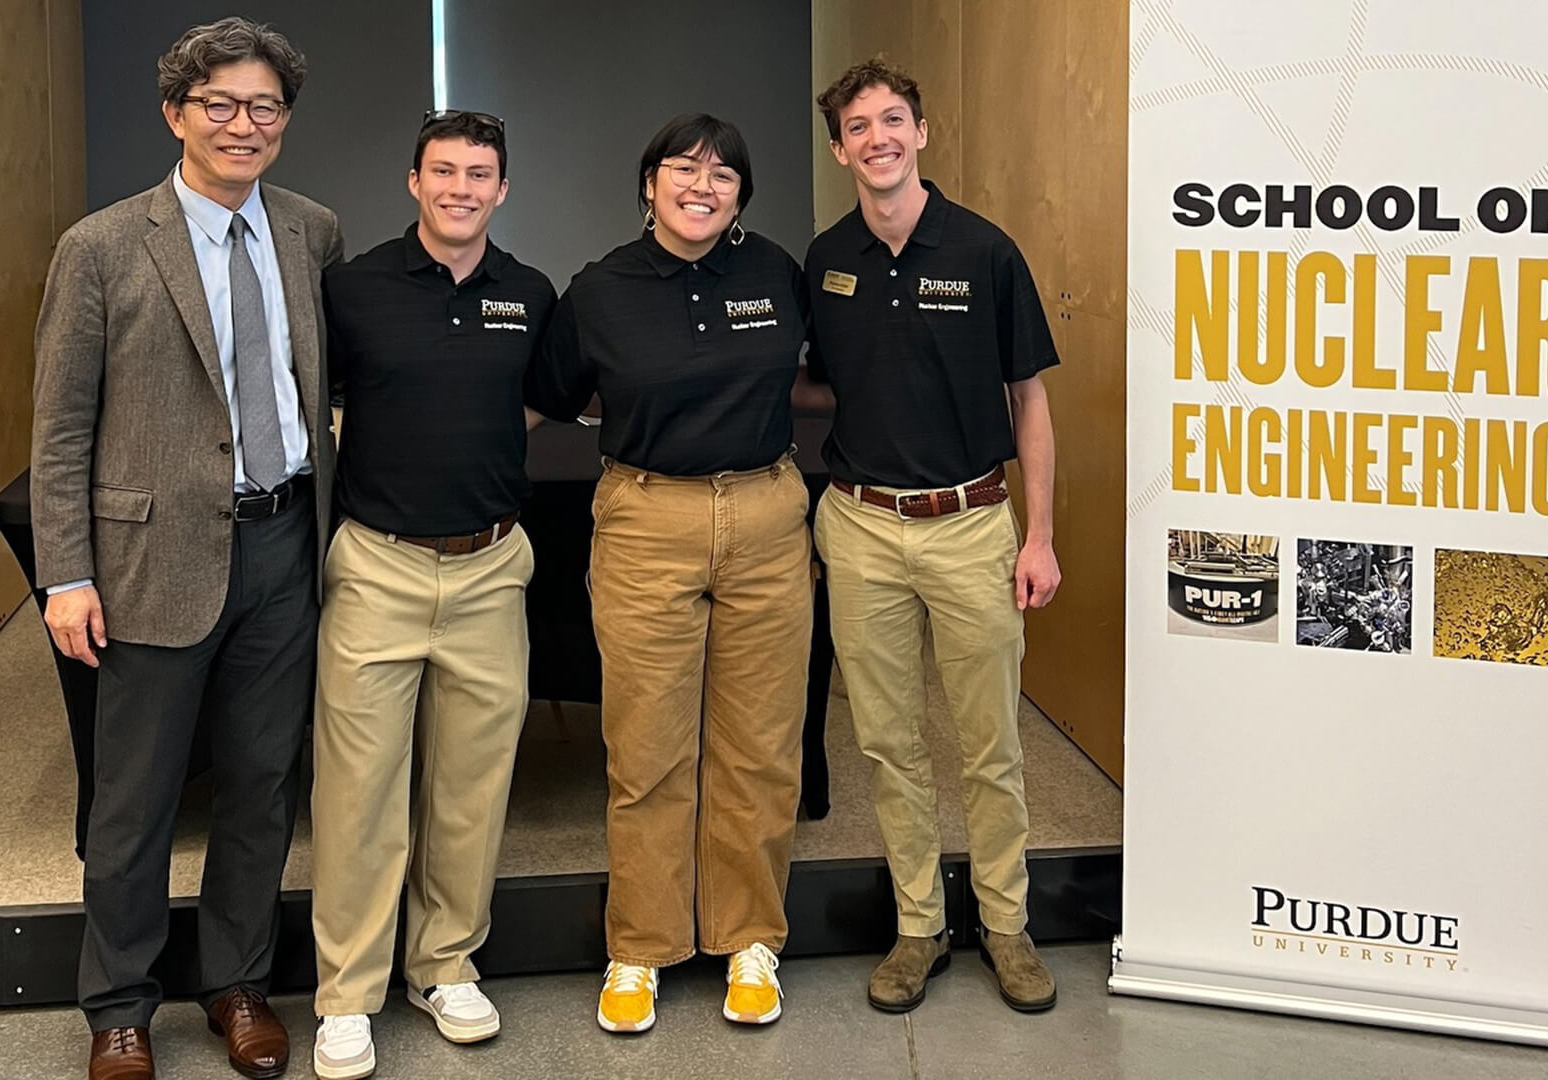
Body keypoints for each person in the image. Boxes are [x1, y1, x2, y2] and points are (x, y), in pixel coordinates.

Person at [30, 17, 341, 1080]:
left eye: (263, 107)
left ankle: (237, 983)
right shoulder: (104, 246)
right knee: (136, 800)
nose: (242, 125)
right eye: (220, 104)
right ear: (176, 114)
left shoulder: (312, 232)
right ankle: (118, 1006)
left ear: (284, 123)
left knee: (261, 787)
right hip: (148, 566)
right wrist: (65, 573)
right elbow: (61, 427)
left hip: (286, 548)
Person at [525, 114, 813, 1034]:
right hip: (648, 518)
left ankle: (749, 940)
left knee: (762, 748)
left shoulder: (775, 272)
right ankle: (640, 947)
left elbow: (831, 374)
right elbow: (545, 401)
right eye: (683, 168)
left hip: (767, 514)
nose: (703, 183)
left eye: (724, 172)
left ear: (742, 193)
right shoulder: (600, 288)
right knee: (647, 748)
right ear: (648, 182)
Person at [802, 57, 1064, 1015]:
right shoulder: (825, 261)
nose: (878, 137)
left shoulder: (987, 252)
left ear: (922, 133)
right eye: (859, 126)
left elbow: (1029, 401)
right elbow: (809, 378)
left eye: (894, 120)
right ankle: (921, 926)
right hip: (862, 526)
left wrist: (1038, 538)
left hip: (971, 527)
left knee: (990, 743)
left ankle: (1007, 924)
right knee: (888, 742)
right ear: (840, 148)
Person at [306, 109, 555, 1080]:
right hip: (378, 565)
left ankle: (444, 965)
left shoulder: (528, 293)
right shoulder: (353, 289)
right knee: (360, 795)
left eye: (480, 172)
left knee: (469, 789)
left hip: (491, 567)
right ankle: (347, 994)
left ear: (503, 189)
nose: (460, 187)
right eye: (442, 170)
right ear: (413, 181)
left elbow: (534, 399)